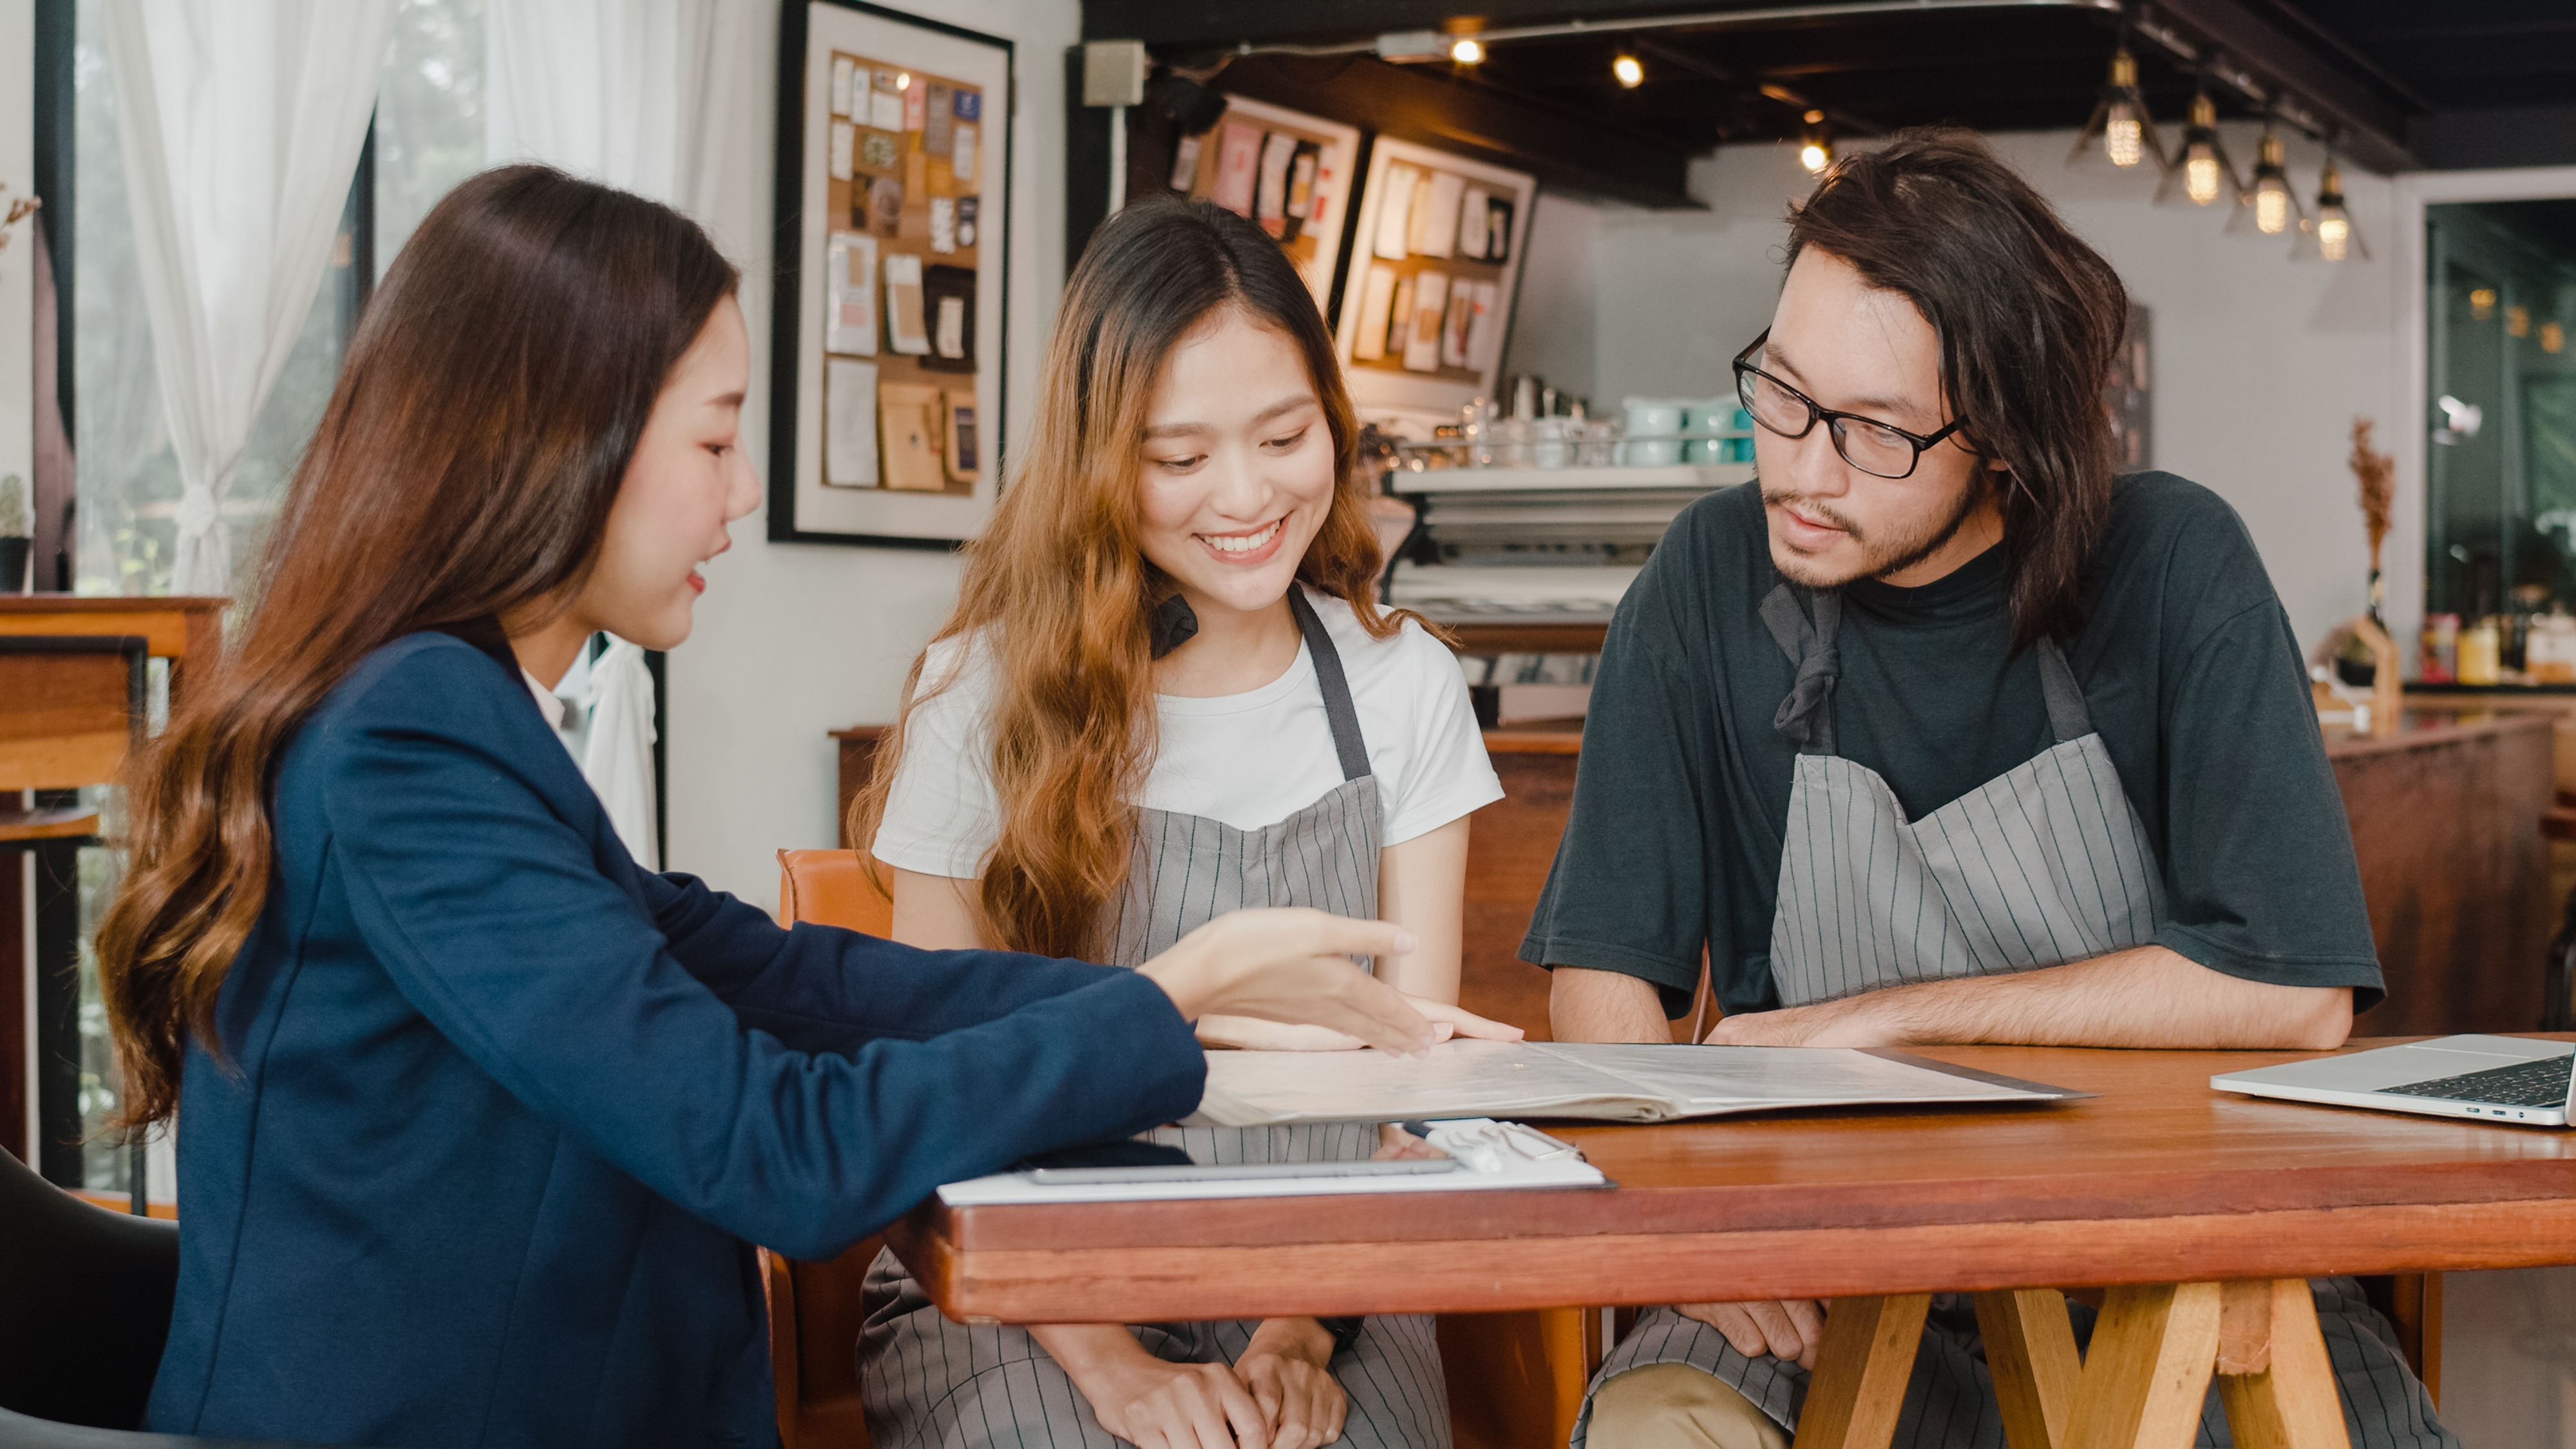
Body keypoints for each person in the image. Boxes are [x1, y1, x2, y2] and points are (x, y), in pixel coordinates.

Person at [94, 167, 1443, 1449]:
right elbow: (773, 1146)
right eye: (718, 437)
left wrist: (1175, 1007)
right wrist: (1170, 1002)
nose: (742, 491)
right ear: (564, 444)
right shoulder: (411, 740)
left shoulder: (450, 714)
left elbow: (795, 977)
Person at [1523, 131, 2456, 1449]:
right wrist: (1683, 1236)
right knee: (1655, 1425)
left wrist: (1870, 1027)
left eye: (1872, 433)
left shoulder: (2169, 566)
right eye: (1778, 394)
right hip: (1821, 1258)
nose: (1799, 466)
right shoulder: (1701, 582)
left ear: (2006, 440)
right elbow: (1607, 983)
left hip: (2177, 1250)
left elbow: (2286, 991)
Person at [850, 195, 1510, 1449]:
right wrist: (1113, 1371)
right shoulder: (977, 694)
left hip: (1331, 1262)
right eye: (1180, 456)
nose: (1246, 494)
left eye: (1282, 435)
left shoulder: (1400, 682)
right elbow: (937, 1093)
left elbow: (1411, 1091)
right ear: (1102, 459)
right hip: (1028, 1275)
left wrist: (1302, 1332)